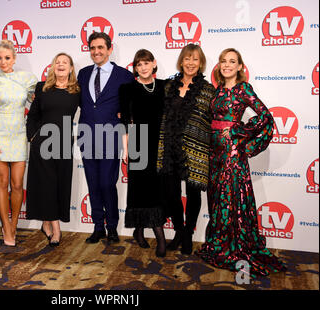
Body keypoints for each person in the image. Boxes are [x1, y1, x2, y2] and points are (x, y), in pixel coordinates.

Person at [196, 48, 287, 276]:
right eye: (223, 61)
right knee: (218, 198)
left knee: (231, 198)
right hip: (214, 153)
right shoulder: (217, 91)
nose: (226, 65)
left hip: (232, 153)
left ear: (239, 67)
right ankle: (220, 243)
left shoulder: (243, 89)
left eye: (232, 61)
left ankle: (234, 247)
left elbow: (266, 117)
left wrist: (242, 133)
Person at [157, 44, 215, 255]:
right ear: (181, 61)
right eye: (187, 59)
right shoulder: (167, 86)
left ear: (201, 64)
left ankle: (188, 234)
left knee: (193, 195)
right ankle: (179, 231)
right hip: (169, 149)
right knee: (171, 194)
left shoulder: (208, 90)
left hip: (196, 151)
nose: (191, 63)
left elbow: (215, 120)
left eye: (195, 60)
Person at [78, 32, 135, 244]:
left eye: (101, 47)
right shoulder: (83, 74)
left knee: (107, 184)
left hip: (111, 138)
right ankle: (97, 226)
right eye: (92, 48)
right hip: (86, 137)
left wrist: (125, 115)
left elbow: (132, 106)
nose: (96, 52)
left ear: (109, 49)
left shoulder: (124, 76)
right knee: (93, 184)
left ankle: (112, 227)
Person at [0, 40, 38, 246]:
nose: (2, 62)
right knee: (2, 182)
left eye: (6, 58)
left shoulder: (26, 79)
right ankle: (6, 226)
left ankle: (14, 224)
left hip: (19, 136)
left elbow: (36, 100)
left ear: (14, 58)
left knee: (17, 184)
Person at [26, 53, 80, 247]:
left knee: (60, 185)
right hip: (43, 144)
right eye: (57, 62)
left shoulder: (77, 91)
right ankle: (56, 229)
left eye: (65, 62)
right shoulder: (42, 88)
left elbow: (91, 111)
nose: (61, 65)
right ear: (53, 67)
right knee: (47, 184)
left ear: (71, 68)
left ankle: (46, 223)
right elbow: (32, 116)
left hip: (65, 144)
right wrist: (32, 137)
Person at [119, 49, 167, 257]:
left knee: (156, 190)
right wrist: (126, 148)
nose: (143, 67)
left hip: (159, 144)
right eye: (139, 64)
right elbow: (125, 121)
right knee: (139, 190)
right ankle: (156, 236)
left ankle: (143, 231)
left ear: (154, 63)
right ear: (135, 68)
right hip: (137, 141)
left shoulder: (165, 86)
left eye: (146, 63)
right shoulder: (127, 88)